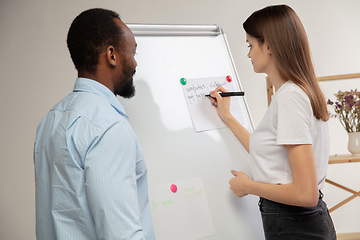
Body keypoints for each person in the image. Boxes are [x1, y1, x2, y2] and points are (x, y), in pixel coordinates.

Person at [209, 5, 336, 240]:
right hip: (304, 222)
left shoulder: (290, 97)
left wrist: (248, 187)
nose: (248, 54)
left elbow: (305, 193)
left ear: (268, 45)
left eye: (250, 45)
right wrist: (227, 116)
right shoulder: (297, 92)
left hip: (294, 224)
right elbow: (268, 153)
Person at [33, 8, 155, 239]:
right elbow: (122, 234)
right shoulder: (108, 127)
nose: (135, 63)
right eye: (132, 52)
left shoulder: (50, 120)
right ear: (112, 54)